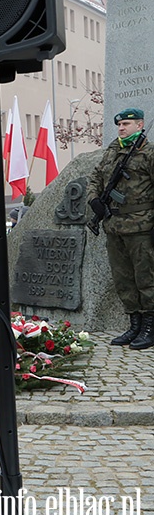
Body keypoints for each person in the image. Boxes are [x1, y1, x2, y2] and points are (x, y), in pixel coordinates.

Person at [88, 108, 154, 350]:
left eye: (126, 124)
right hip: (114, 226)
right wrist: (94, 199)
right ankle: (134, 323)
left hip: (141, 226)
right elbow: (96, 177)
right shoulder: (113, 151)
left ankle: (149, 326)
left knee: (146, 278)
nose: (121, 128)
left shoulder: (149, 152)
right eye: (119, 125)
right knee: (123, 279)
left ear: (140, 125)